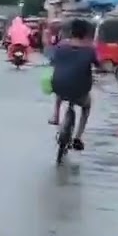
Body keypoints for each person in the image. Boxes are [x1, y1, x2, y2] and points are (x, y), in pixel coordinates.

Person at [48, 18, 100, 150]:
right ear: (86, 34)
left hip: (58, 85)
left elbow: (52, 60)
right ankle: (78, 137)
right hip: (79, 89)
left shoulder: (60, 46)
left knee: (60, 89)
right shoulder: (90, 49)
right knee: (86, 106)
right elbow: (100, 65)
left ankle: (56, 116)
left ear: (71, 32)